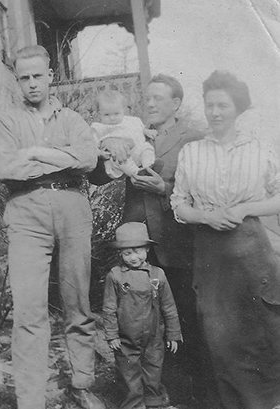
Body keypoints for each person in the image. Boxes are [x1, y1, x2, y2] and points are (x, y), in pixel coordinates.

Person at [0, 45, 105, 409]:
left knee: (78, 304)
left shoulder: (71, 118)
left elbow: (88, 159)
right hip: (26, 212)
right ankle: (31, 398)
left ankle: (82, 383)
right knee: (29, 310)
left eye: (38, 76)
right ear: (17, 80)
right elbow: (7, 169)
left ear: (51, 76)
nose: (32, 84)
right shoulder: (7, 121)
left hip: (72, 209)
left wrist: (37, 154)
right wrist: (63, 159)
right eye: (24, 78)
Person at [171, 70, 280, 409]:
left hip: (252, 253)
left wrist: (247, 207)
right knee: (219, 338)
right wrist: (207, 216)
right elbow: (179, 204)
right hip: (211, 256)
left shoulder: (260, 150)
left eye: (223, 105)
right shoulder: (192, 153)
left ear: (238, 109)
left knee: (262, 334)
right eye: (210, 105)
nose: (215, 113)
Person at [98, 74, 204, 404]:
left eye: (159, 98)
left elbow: (203, 190)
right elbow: (98, 176)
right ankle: (149, 394)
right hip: (137, 246)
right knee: (139, 322)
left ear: (176, 104)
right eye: (148, 98)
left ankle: (191, 392)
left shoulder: (193, 138)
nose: (151, 103)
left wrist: (166, 189)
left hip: (176, 242)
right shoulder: (130, 130)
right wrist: (106, 149)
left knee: (180, 315)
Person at [103, 222, 182, 409]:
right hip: (126, 338)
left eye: (138, 250)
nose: (133, 257)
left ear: (147, 248)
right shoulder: (115, 276)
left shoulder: (158, 275)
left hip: (154, 337)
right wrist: (112, 334)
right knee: (129, 375)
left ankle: (155, 404)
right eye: (127, 253)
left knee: (154, 371)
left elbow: (169, 307)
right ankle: (134, 405)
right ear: (120, 254)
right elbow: (109, 308)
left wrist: (173, 334)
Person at [91, 89, 156, 178]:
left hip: (137, 151)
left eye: (116, 113)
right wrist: (100, 153)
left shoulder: (131, 120)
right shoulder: (99, 127)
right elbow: (92, 145)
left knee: (146, 147)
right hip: (119, 158)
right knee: (119, 157)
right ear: (99, 114)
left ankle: (149, 166)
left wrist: (147, 131)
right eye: (107, 115)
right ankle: (136, 173)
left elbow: (140, 128)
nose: (112, 118)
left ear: (123, 110)